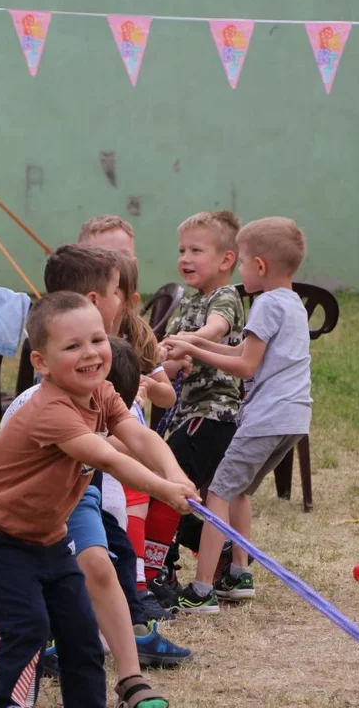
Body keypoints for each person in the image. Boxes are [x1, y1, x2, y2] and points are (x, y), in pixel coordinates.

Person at [0, 248, 192, 708]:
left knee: (79, 633)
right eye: (73, 347)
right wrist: (162, 489)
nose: (92, 353)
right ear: (41, 362)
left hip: (48, 539)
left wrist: (175, 474)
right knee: (29, 628)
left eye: (96, 340)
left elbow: (138, 436)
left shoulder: (102, 390)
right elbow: (108, 458)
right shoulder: (49, 409)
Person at [164, 217, 311, 614]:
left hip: (266, 417)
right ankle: (239, 574)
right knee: (239, 491)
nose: (241, 271)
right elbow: (243, 356)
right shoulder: (292, 303)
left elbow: (245, 367)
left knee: (217, 495)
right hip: (295, 418)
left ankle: (201, 589)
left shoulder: (263, 304)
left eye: (243, 262)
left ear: (259, 266)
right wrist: (195, 346)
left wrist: (192, 348)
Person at [141, 211, 246, 609]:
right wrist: (153, 372)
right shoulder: (188, 302)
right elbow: (167, 365)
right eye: (182, 249)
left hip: (215, 414)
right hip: (188, 414)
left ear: (226, 260)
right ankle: (214, 552)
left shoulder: (226, 298)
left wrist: (189, 342)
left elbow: (215, 330)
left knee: (172, 489)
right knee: (169, 487)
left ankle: (160, 570)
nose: (185, 258)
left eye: (196, 250)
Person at [79, 220, 176, 611]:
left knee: (133, 503)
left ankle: (142, 582)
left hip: (126, 435)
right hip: (94, 444)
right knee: (110, 511)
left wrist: (148, 388)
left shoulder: (137, 332)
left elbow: (167, 394)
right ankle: (130, 590)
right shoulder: (72, 338)